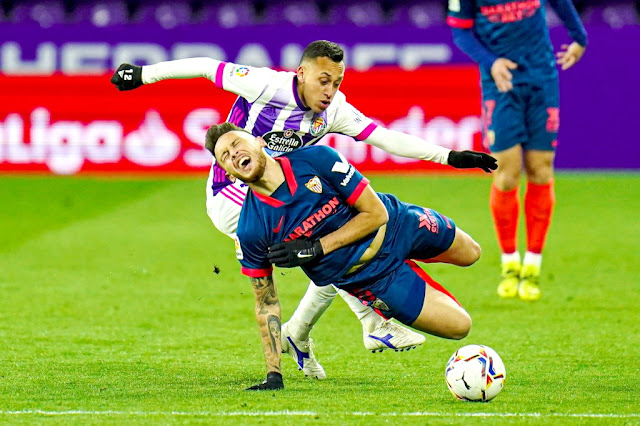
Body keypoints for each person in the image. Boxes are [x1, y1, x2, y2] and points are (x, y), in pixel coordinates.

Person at [110, 40, 496, 378]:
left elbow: (385, 137)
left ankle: (311, 332)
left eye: (337, 83)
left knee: (326, 246)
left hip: (290, 196)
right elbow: (207, 67)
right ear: (301, 74)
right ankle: (368, 319)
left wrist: (448, 156)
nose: (329, 91)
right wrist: (145, 75)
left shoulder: (334, 110)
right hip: (232, 196)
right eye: (323, 81)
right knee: (322, 245)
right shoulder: (266, 84)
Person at [206, 122, 484, 390]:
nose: (234, 154)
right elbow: (266, 304)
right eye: (225, 156)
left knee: (472, 253)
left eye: (236, 143)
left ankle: (374, 317)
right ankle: (373, 314)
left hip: (399, 224)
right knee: (460, 327)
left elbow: (376, 214)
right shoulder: (252, 230)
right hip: (373, 279)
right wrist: (273, 373)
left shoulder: (316, 159)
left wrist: (317, 247)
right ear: (230, 175)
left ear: (259, 141)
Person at [447, 0, 587, 301]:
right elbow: (460, 33)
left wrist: (579, 37)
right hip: (501, 83)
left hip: (541, 78)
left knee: (541, 168)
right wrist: (491, 61)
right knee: (506, 172)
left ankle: (533, 265)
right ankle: (510, 262)